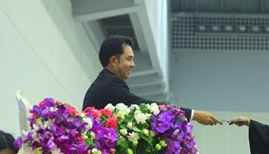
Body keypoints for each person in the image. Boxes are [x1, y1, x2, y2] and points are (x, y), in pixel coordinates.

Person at [82, 35, 221, 126]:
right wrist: (193, 114)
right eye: (129, 59)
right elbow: (147, 107)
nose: (133, 64)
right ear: (113, 61)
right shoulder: (110, 84)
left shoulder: (105, 82)